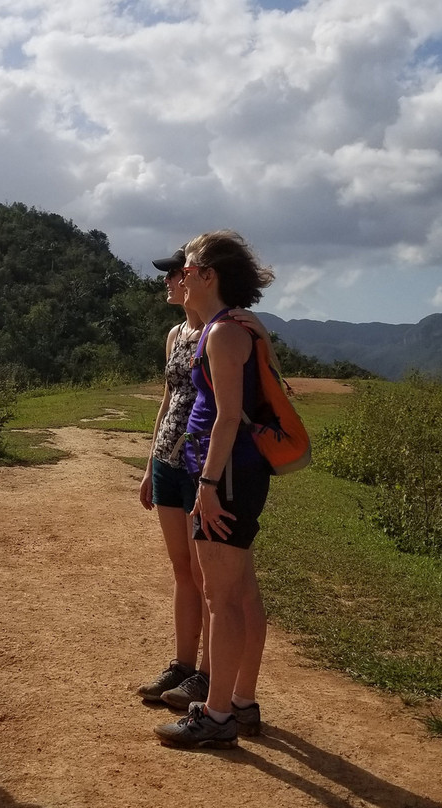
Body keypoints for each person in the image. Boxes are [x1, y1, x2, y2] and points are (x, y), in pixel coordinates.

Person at [154, 230, 276, 749]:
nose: (180, 271)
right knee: (239, 594)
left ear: (208, 276)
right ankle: (241, 703)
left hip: (222, 473)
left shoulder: (225, 333)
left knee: (222, 599)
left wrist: (205, 483)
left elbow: (227, 417)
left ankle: (219, 714)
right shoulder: (225, 329)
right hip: (228, 471)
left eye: (189, 264)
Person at [136, 247, 210, 704]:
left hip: (200, 465)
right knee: (182, 570)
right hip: (167, 461)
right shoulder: (175, 333)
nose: (167, 282)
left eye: (173, 274)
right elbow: (167, 401)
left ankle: (205, 673)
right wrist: (149, 465)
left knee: (205, 574)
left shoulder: (218, 332)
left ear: (194, 279)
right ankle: (183, 665)